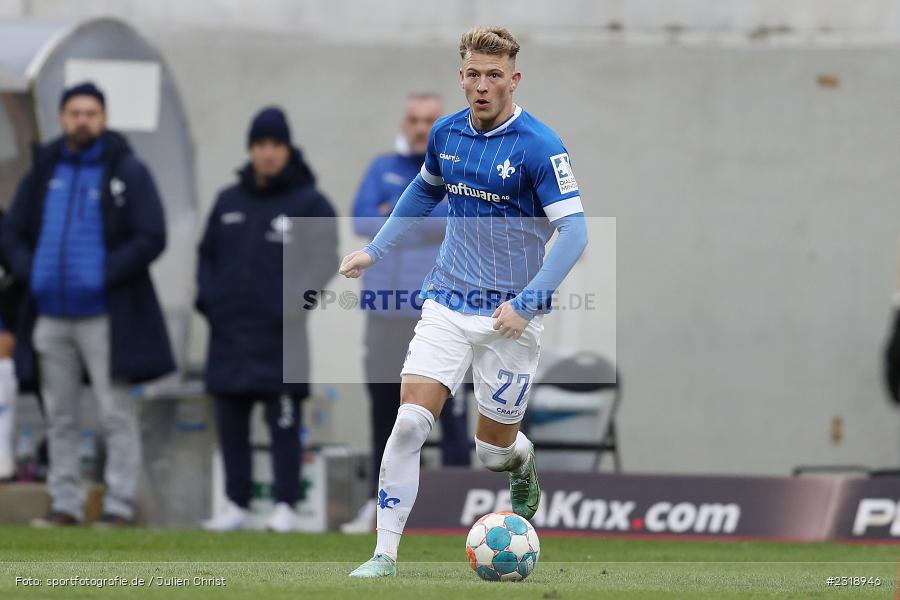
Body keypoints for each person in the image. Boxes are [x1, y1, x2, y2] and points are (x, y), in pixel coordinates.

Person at [339, 27, 589, 576]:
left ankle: (521, 461)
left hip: (509, 318)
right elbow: (425, 189)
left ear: (513, 79)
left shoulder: (540, 146)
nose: (482, 85)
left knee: (490, 451)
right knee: (408, 424)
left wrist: (526, 304)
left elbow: (573, 233)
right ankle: (383, 555)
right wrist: (375, 251)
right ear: (462, 76)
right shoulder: (447, 134)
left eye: (494, 75)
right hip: (447, 300)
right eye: (473, 74)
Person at [2, 81, 175, 526]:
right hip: (50, 315)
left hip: (105, 315)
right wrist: (31, 269)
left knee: (114, 411)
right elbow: (12, 231)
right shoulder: (43, 171)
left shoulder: (127, 170)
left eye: (91, 112)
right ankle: (65, 503)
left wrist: (103, 271)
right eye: (74, 112)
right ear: (62, 117)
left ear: (103, 118)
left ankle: (118, 505)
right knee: (58, 415)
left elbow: (152, 235)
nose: (82, 120)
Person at [197, 107, 338, 533]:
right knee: (231, 424)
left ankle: (285, 506)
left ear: (287, 148)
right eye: (260, 145)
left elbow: (325, 261)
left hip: (282, 337)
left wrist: (293, 305)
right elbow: (207, 256)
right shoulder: (228, 200)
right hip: (229, 335)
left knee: (283, 425)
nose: (268, 153)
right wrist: (210, 303)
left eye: (275, 145)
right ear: (251, 150)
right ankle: (235, 505)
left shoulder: (309, 202)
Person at [341, 94, 471, 534]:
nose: (420, 129)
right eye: (414, 120)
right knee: (383, 409)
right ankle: (376, 506)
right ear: (405, 123)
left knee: (448, 413)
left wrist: (395, 214)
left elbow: (455, 220)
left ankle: (457, 507)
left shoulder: (456, 168)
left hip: (436, 312)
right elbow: (361, 219)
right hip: (383, 313)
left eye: (429, 121)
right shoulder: (381, 167)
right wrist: (417, 214)